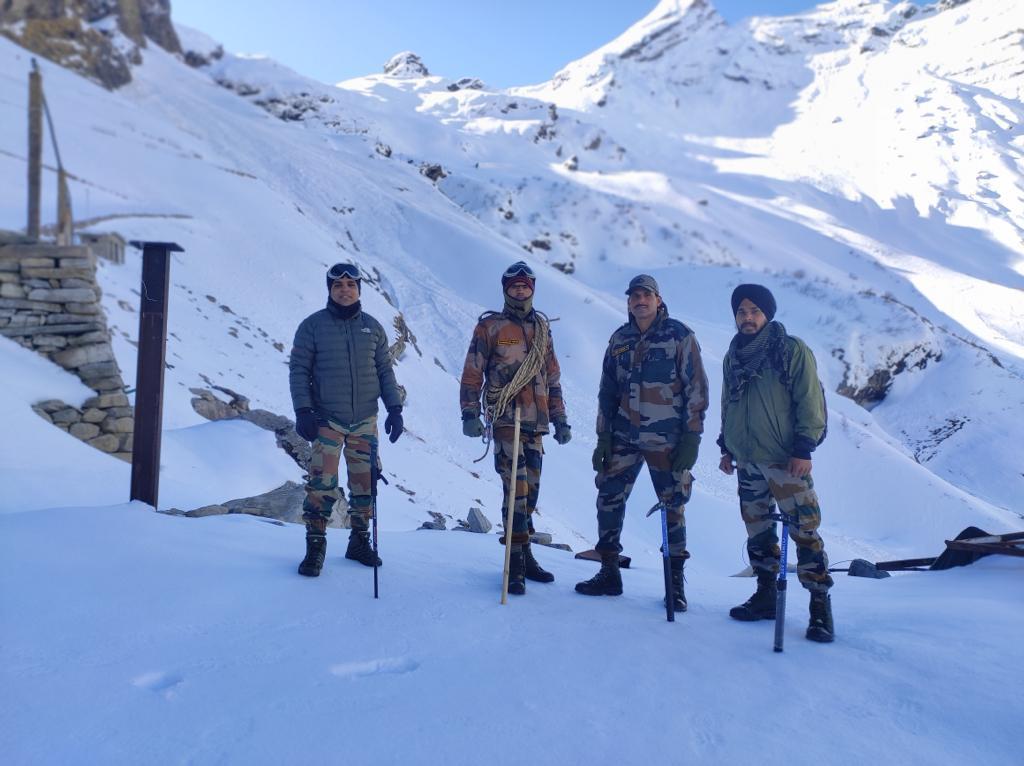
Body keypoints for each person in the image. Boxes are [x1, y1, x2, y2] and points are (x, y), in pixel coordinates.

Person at [576, 275, 709, 611]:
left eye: (646, 295)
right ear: (628, 302)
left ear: (658, 299)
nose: (640, 301)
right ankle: (609, 571)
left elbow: (697, 389)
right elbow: (607, 390)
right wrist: (603, 437)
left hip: (666, 440)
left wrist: (692, 438)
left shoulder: (680, 336)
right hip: (623, 436)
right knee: (608, 497)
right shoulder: (620, 339)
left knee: (672, 506)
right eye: (634, 296)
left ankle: (674, 583)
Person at [717, 283, 834, 642]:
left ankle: (819, 605)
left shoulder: (790, 349)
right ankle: (766, 594)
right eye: (741, 312)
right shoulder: (733, 354)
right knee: (757, 530)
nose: (747, 318)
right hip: (747, 459)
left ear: (767, 314)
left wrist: (803, 448)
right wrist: (727, 445)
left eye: (754, 311)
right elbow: (729, 403)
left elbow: (809, 401)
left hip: (786, 460)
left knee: (804, 529)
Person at [460, 261, 571, 595]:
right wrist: (469, 413)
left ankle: (525, 552)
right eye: (514, 285)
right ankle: (514, 563)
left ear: (532, 289)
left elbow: (552, 376)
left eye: (525, 285)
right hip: (507, 419)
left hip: (535, 424)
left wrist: (560, 417)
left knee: (531, 492)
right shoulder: (491, 328)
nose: (520, 290)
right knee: (516, 491)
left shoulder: (542, 328)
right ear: (505, 289)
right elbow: (472, 372)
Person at [289, 262, 404, 578]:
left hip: (365, 419)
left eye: (351, 285)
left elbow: (384, 370)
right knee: (321, 484)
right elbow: (298, 370)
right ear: (330, 289)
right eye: (338, 285)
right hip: (327, 419)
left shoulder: (373, 327)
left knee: (365, 484)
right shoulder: (312, 327)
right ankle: (315, 547)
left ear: (358, 290)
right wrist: (303, 411)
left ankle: (359, 541)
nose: (345, 290)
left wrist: (394, 409)